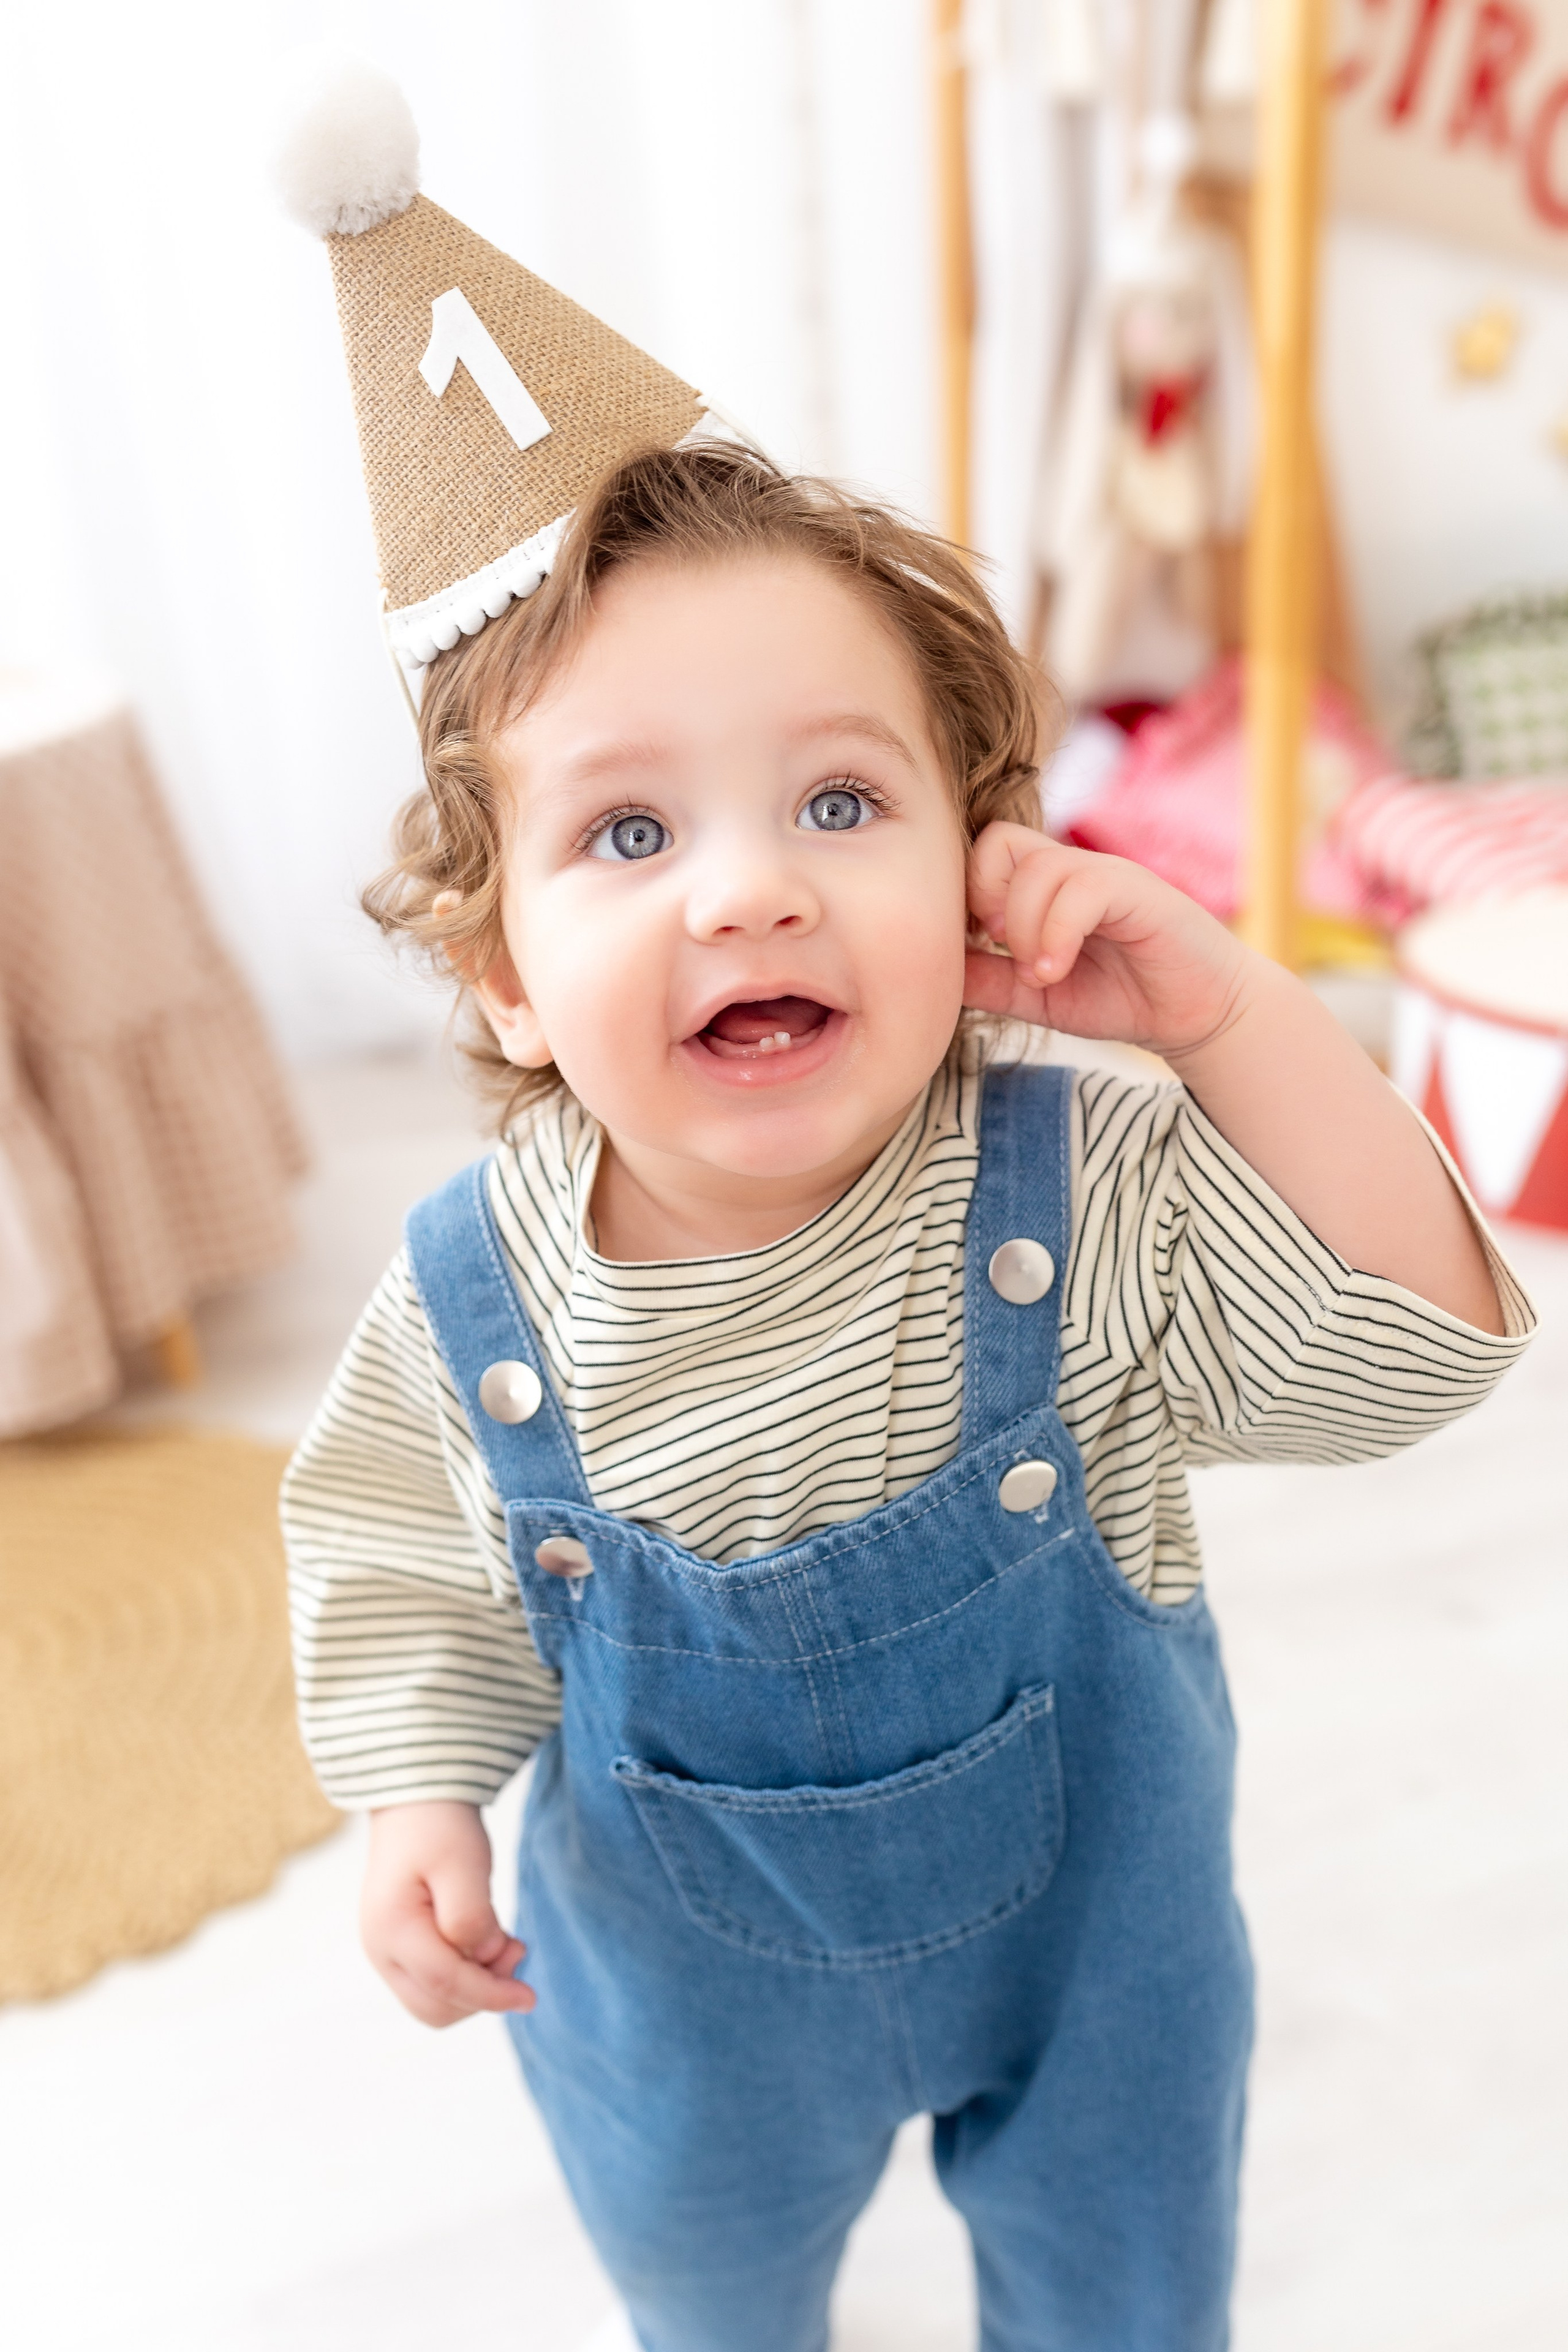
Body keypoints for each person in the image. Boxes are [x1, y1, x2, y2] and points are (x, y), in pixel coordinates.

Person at [278, 69, 1532, 2352]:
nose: (750, 888)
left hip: (1100, 1973)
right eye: (629, 834)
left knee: (1124, 2294)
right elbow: (402, 1568)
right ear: (502, 974)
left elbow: (1410, 1344)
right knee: (708, 2288)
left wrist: (1229, 1013)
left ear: (977, 859)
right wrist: (415, 1805)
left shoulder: (1079, 1179)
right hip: (683, 2012)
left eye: (840, 802)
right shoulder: (473, 1299)